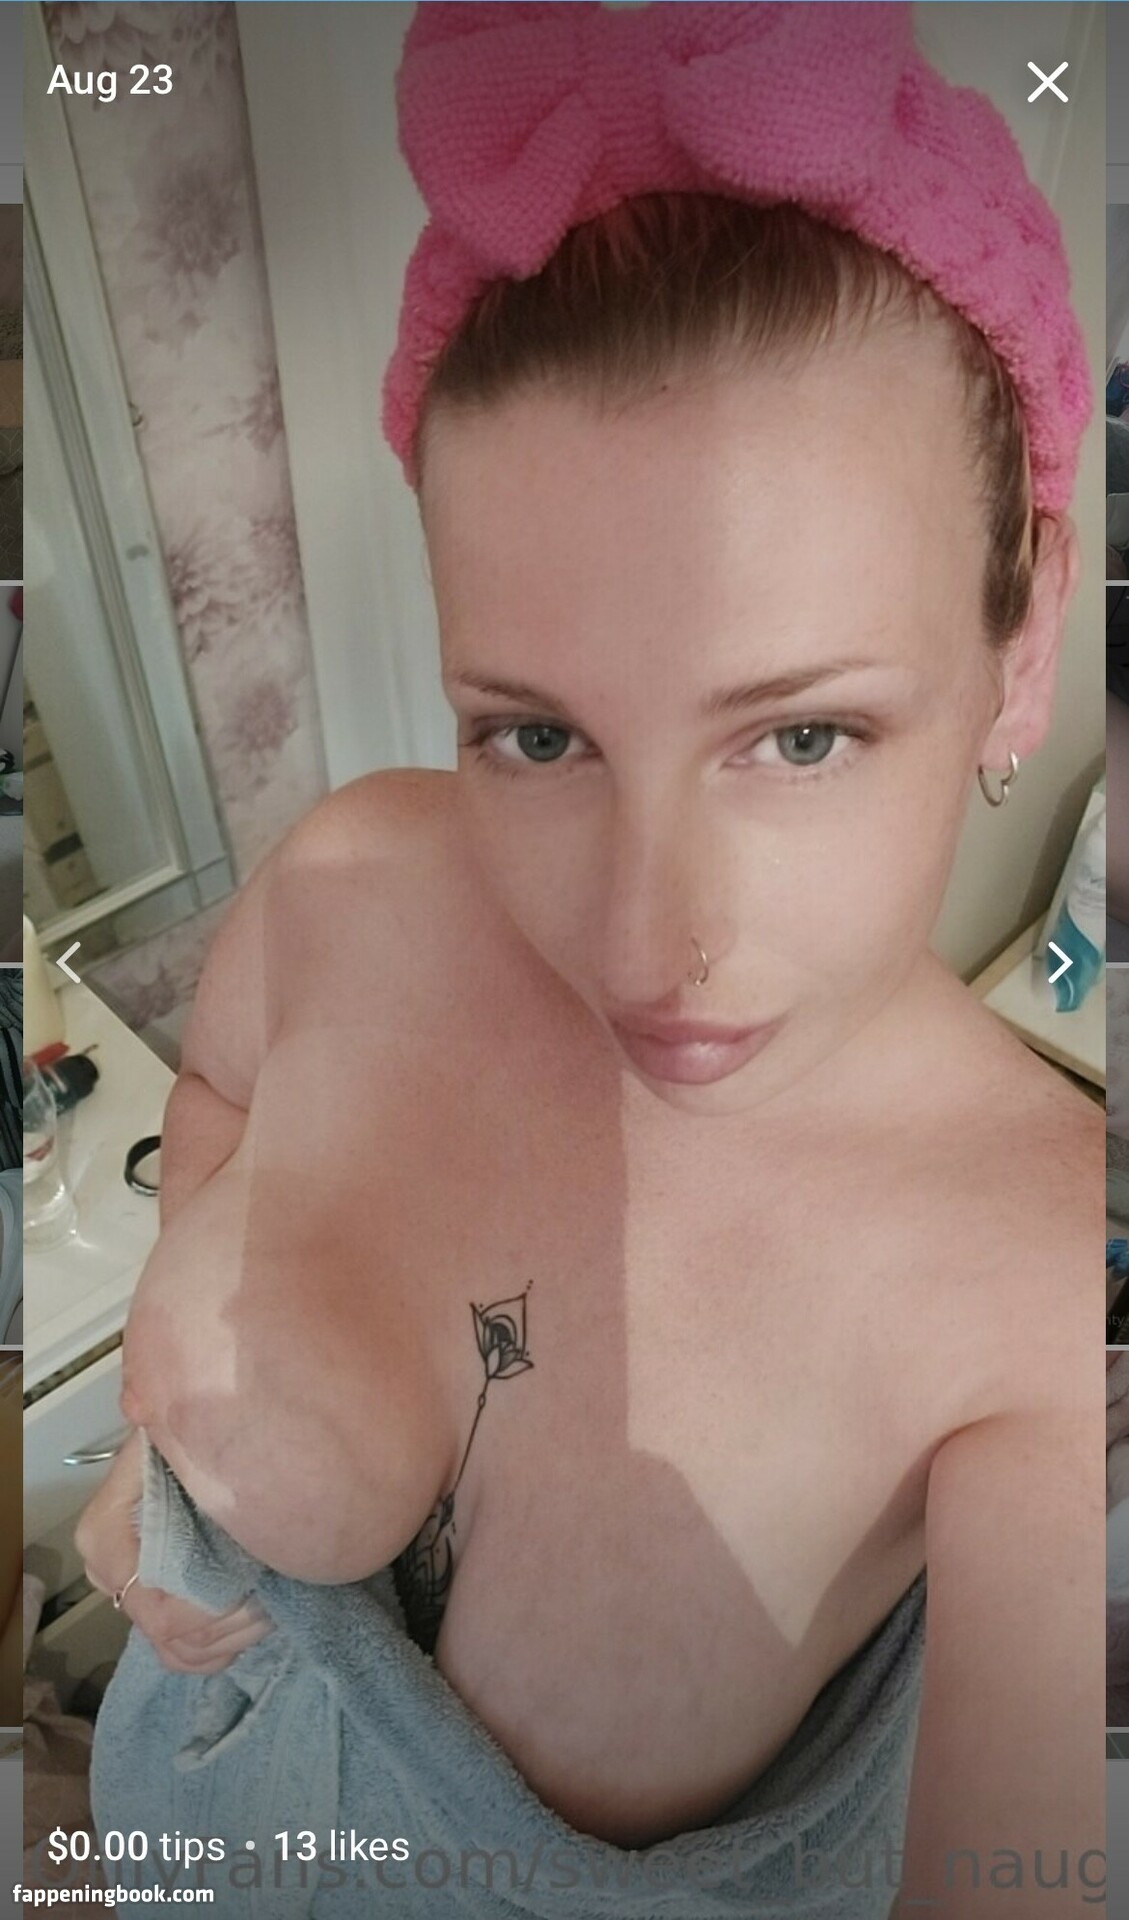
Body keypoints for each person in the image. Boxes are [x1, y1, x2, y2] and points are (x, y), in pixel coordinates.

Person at [77, 6, 1101, 1915]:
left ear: (1022, 639)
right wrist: (160, 1444)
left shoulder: (1028, 1271)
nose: (642, 947)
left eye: (800, 737)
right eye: (536, 735)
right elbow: (216, 1094)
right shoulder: (356, 871)